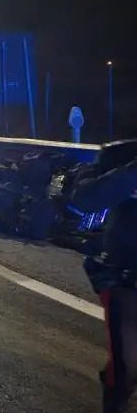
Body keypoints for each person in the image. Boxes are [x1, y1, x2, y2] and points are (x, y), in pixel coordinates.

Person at [71, 157, 137, 413]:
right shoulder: (123, 151)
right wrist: (131, 172)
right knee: (127, 370)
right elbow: (84, 197)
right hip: (127, 277)